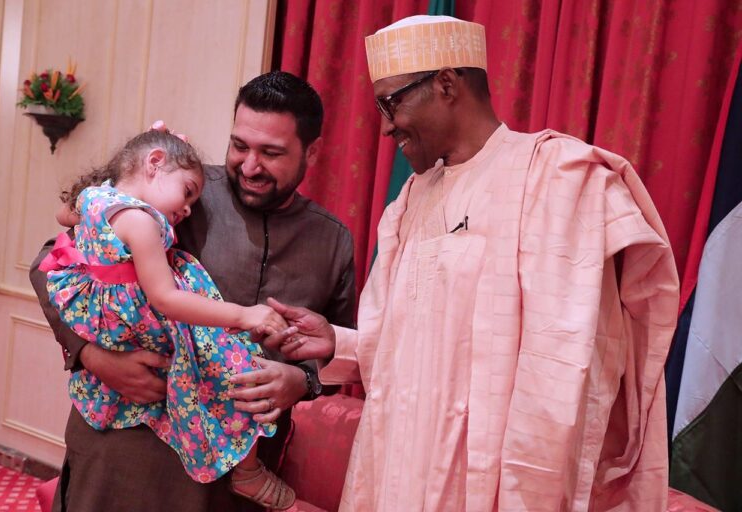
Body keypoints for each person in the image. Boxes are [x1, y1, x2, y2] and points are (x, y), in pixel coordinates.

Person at [265, 15, 680, 511]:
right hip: (400, 466)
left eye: (391, 103)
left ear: (446, 83)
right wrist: (339, 343)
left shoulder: (559, 179)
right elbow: (409, 347)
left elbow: (570, 367)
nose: (385, 126)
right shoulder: (411, 200)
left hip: (494, 482)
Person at [29, 71, 356, 512]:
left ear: (311, 152)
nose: (250, 166)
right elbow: (53, 262)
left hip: (236, 475)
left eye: (272, 153)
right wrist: (91, 355)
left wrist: (301, 381)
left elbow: (335, 348)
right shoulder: (183, 194)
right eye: (239, 146)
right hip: (129, 449)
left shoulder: (331, 241)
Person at [39, 129, 296, 509]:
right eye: (188, 191)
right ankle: (246, 470)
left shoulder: (95, 197)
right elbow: (165, 298)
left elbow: (64, 216)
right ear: (155, 163)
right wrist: (244, 315)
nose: (188, 209)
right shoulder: (141, 221)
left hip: (102, 317)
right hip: (145, 315)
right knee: (234, 365)